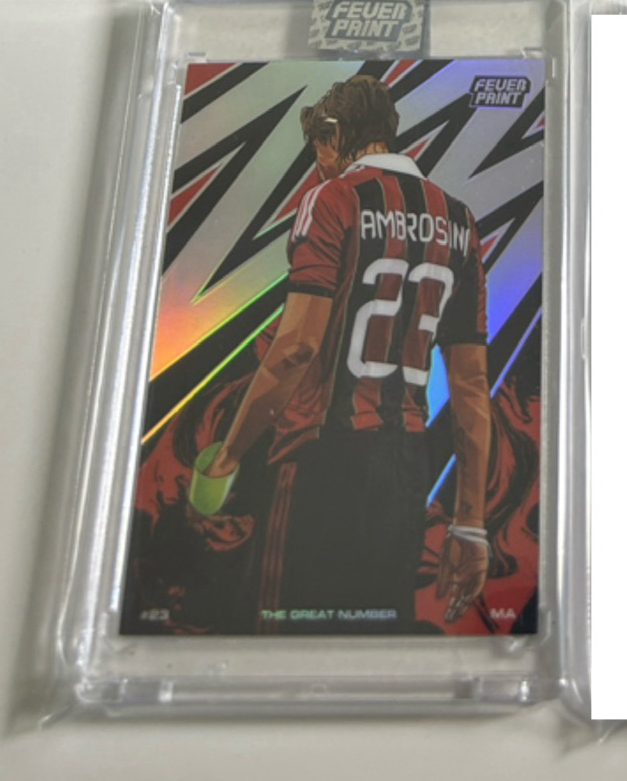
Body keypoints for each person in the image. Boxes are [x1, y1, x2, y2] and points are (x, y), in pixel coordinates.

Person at [188, 73, 491, 631]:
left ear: (332, 135)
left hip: (322, 458)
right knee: (374, 636)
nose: (317, 165)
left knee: (283, 633)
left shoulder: (332, 199)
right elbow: (471, 385)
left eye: (317, 149)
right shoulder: (460, 220)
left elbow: (296, 349)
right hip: (406, 464)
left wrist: (229, 454)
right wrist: (469, 524)